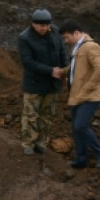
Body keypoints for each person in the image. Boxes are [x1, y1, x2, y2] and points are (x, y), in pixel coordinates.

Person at [59, 20, 100, 169]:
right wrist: (63, 72)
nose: (66, 41)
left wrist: (87, 88)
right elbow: (77, 67)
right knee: (76, 128)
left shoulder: (91, 47)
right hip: (77, 95)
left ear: (77, 33)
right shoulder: (78, 47)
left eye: (67, 37)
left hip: (89, 97)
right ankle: (81, 160)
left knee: (80, 126)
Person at [16, 9, 66, 155]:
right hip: (34, 83)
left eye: (46, 25)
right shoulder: (25, 38)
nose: (44, 28)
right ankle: (28, 143)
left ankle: (41, 142)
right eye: (40, 25)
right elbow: (28, 62)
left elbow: (62, 52)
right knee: (30, 115)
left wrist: (63, 72)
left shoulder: (56, 32)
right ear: (33, 24)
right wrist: (50, 70)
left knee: (47, 115)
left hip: (53, 83)